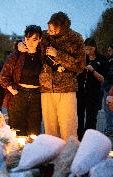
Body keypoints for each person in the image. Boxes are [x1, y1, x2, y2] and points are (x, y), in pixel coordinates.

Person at [18, 12, 85, 140]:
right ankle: (51, 156)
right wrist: (18, 44)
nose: (50, 31)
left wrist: (58, 55)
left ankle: (69, 157)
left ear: (63, 28)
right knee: (50, 129)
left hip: (66, 89)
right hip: (46, 89)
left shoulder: (76, 39)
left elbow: (80, 66)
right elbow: (29, 37)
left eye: (54, 30)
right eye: (49, 28)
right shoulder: (45, 35)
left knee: (68, 127)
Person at [0, 25, 43, 136]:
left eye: (34, 39)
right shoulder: (17, 55)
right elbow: (3, 77)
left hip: (37, 97)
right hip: (19, 94)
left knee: (34, 130)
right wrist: (12, 89)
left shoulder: (43, 55)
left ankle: (32, 152)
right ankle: (18, 153)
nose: (30, 43)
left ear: (40, 40)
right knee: (17, 130)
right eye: (27, 39)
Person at [76, 38, 107, 140]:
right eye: (86, 48)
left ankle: (89, 140)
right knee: (78, 117)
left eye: (90, 48)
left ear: (95, 47)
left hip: (94, 93)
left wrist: (92, 70)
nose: (88, 50)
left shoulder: (102, 60)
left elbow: (103, 79)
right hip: (79, 92)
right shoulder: (81, 58)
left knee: (91, 118)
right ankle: (78, 139)